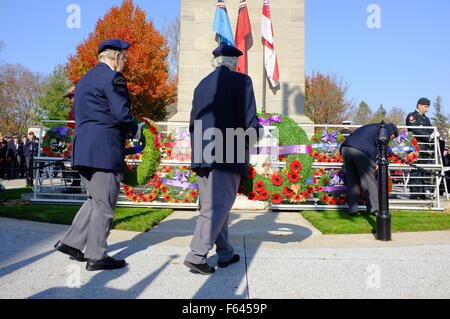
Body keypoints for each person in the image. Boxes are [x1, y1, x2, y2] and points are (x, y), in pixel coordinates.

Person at [54, 39, 139, 271]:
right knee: (105, 205)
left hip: (83, 148)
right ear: (115, 58)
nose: (126, 61)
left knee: (94, 200)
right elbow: (122, 115)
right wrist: (136, 128)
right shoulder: (114, 78)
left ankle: (72, 243)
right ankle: (97, 256)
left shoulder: (83, 81)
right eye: (124, 57)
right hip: (104, 149)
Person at [184, 43, 263, 275]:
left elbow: (192, 122)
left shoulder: (201, 85)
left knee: (215, 205)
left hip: (202, 151)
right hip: (228, 149)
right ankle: (197, 255)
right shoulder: (241, 81)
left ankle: (226, 252)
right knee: (218, 205)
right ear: (234, 62)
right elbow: (249, 119)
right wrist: (257, 137)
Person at [340, 122, 399, 216]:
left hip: (346, 148)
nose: (390, 140)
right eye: (392, 138)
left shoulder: (373, 126)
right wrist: (376, 162)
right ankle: (375, 209)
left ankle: (353, 209)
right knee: (368, 179)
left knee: (352, 180)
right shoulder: (386, 129)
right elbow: (381, 144)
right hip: (361, 150)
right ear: (393, 133)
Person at [406, 97, 434, 200]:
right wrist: (428, 136)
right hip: (415, 148)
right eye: (426, 107)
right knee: (415, 170)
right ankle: (414, 194)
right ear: (419, 106)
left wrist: (432, 138)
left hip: (424, 149)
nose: (427, 109)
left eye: (428, 107)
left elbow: (430, 130)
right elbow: (416, 130)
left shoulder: (426, 119)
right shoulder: (412, 116)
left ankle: (422, 193)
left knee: (422, 170)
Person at [61, 86, 82, 194]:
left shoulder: (78, 108)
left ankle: (76, 185)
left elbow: (73, 125)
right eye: (69, 97)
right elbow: (69, 125)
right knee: (75, 163)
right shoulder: (73, 109)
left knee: (77, 162)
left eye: (71, 97)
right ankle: (75, 184)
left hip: (79, 138)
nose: (70, 100)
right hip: (74, 138)